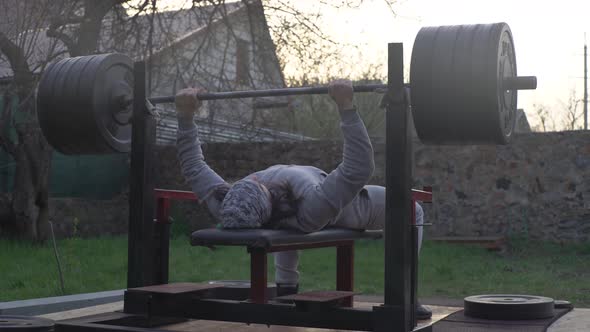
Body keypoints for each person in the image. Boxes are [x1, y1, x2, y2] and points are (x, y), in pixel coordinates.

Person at [174, 79, 432, 320]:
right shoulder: (310, 205)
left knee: (287, 221)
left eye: (250, 180)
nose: (256, 178)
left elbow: (193, 166)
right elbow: (359, 167)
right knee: (411, 209)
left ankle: (286, 293)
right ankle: (406, 294)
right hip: (347, 208)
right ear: (269, 195)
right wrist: (346, 106)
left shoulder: (227, 206)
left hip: (297, 205)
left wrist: (185, 116)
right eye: (258, 184)